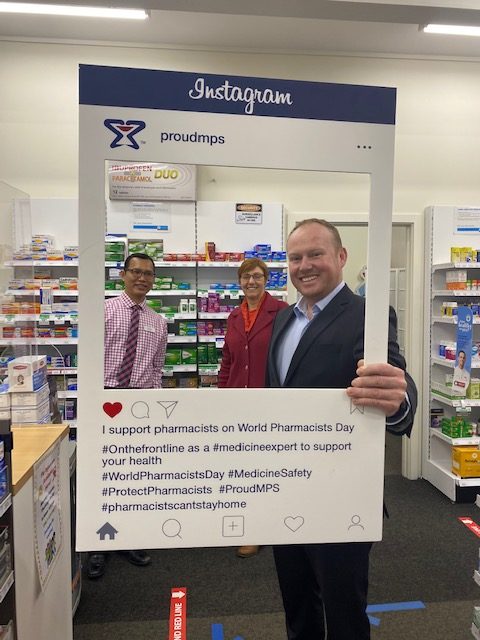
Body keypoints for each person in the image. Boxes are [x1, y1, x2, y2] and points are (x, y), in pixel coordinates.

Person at [266, 218, 417, 640]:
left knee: (345, 610)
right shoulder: (283, 320)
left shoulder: (367, 314)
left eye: (316, 254)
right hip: (284, 488)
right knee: (297, 604)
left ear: (341, 257)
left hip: (341, 494)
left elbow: (391, 373)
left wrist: (399, 399)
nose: (304, 265)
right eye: (296, 257)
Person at [87, 252, 168, 579]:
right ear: (122, 275)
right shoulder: (103, 311)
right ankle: (98, 545)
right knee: (101, 475)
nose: (142, 278)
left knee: (134, 476)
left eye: (148, 273)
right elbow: (90, 359)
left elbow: (157, 368)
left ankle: (130, 537)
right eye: (135, 271)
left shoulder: (158, 321)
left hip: (139, 404)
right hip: (104, 397)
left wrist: (151, 407)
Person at [218, 257, 288, 558]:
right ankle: (247, 523)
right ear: (240, 281)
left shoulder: (283, 313)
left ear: (266, 279)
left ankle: (264, 527)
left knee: (269, 467)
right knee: (244, 468)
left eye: (257, 276)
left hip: (269, 402)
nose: (251, 282)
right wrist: (221, 396)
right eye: (246, 277)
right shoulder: (233, 317)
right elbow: (227, 361)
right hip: (237, 403)